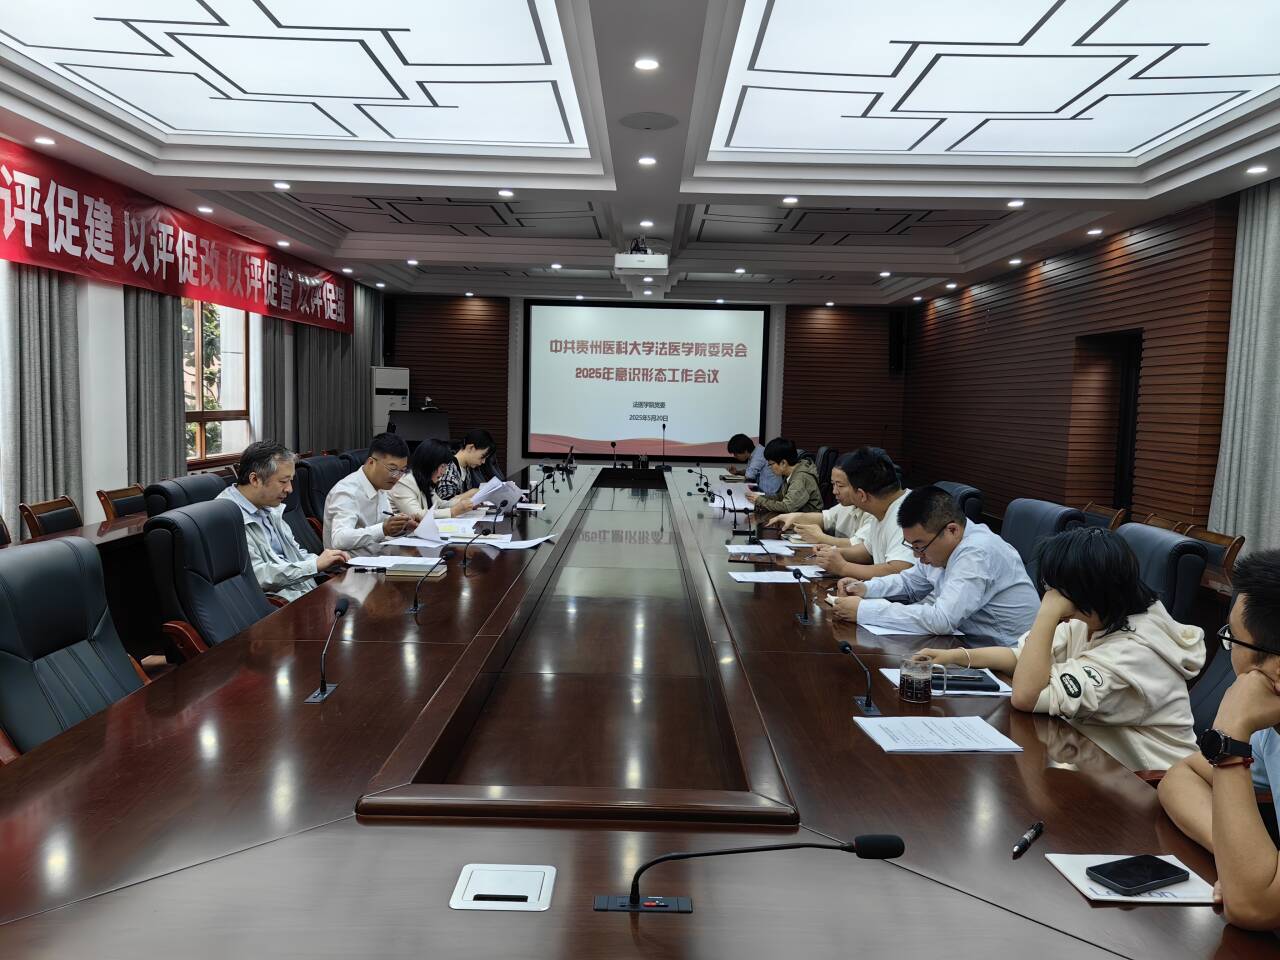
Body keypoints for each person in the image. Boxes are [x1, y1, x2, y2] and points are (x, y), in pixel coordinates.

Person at [917, 527, 1204, 772]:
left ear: (1093, 589)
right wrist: (958, 657)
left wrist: (1047, 613)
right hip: (1097, 763)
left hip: (1149, 784)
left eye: (1057, 590)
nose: (1053, 597)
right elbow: (1026, 659)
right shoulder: (1098, 615)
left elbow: (1026, 696)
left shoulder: (1136, 651)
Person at [1158, 549, 1280, 930]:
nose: (1229, 653)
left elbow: (1253, 909)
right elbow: (1181, 776)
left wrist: (1231, 732)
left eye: (1233, 639)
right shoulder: (1271, 727)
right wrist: (1237, 859)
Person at [834, 485, 1039, 647]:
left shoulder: (977, 553)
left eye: (920, 547)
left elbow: (942, 620)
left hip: (1007, 659)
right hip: (965, 645)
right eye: (912, 546)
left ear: (952, 530)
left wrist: (864, 610)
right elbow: (909, 583)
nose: (917, 555)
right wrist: (865, 588)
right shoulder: (940, 543)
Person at [217, 440, 349, 601]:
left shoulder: (269, 507)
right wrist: (314, 566)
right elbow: (257, 576)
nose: (290, 489)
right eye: (283, 481)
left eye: (291, 480)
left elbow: (294, 553)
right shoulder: (225, 518)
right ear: (255, 479)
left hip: (305, 593)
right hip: (279, 606)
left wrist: (327, 560)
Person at [811, 447, 915, 579]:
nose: (835, 491)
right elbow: (867, 550)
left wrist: (843, 567)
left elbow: (898, 570)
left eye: (844, 486)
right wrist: (833, 553)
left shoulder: (909, 513)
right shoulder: (882, 507)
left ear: (861, 495)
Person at [323, 432, 417, 555]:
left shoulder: (381, 485)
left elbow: (384, 526)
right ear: (371, 462)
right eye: (392, 469)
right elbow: (339, 539)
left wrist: (402, 525)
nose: (397, 476)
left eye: (402, 471)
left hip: (379, 557)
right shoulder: (347, 491)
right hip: (351, 564)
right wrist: (383, 529)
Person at [767, 451, 873, 548]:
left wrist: (821, 538)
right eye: (833, 484)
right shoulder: (847, 505)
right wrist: (794, 517)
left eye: (840, 486)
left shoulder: (874, 513)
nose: (834, 491)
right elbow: (825, 518)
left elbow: (861, 548)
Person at [390, 438, 478, 521]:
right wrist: (452, 512)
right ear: (429, 464)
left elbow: (440, 504)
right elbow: (416, 514)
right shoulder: (405, 481)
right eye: (442, 466)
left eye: (445, 467)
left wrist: (468, 503)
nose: (444, 472)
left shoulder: (424, 481)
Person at [744, 438, 822, 514]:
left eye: (771, 464)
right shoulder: (790, 474)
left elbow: (787, 507)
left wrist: (760, 500)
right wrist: (760, 498)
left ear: (783, 463)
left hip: (807, 520)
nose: (770, 468)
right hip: (796, 516)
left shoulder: (801, 478)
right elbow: (780, 497)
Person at [437, 428, 495, 503]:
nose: (483, 462)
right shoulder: (448, 467)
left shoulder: (466, 467)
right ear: (471, 448)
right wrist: (471, 493)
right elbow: (444, 503)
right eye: (482, 456)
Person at [726, 433, 782, 497]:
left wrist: (730, 479)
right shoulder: (756, 451)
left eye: (735, 454)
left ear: (745, 451)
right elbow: (750, 472)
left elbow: (749, 476)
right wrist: (737, 472)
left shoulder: (758, 456)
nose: (735, 456)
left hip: (770, 494)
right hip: (763, 489)